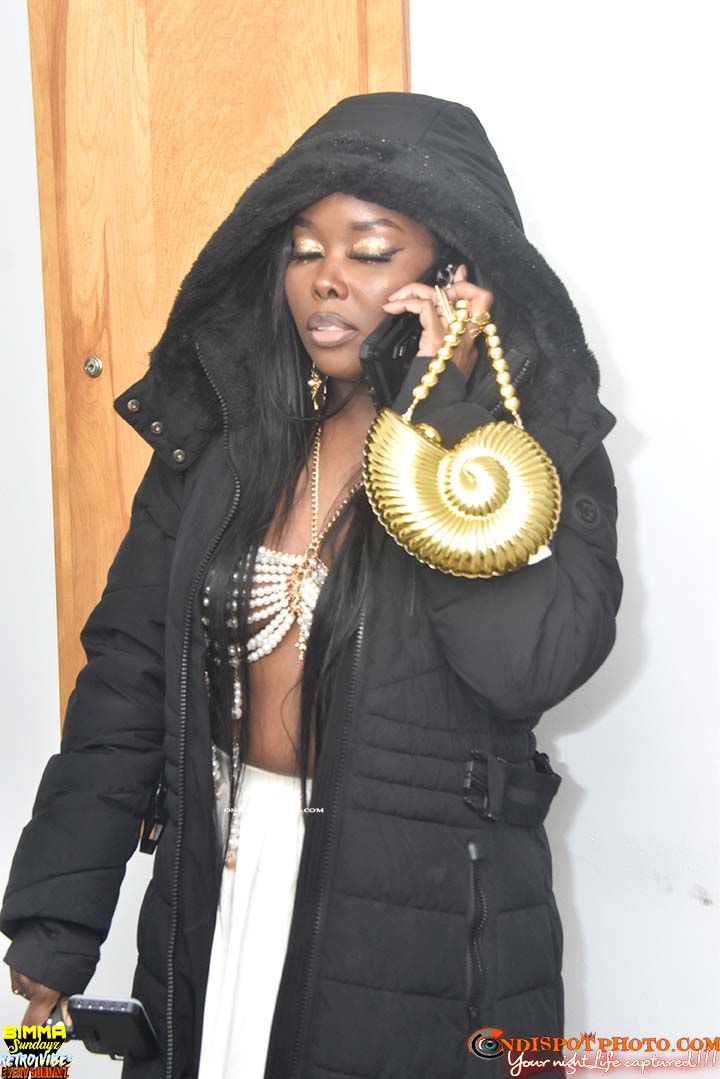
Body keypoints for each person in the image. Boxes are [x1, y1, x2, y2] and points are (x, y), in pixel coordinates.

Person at [1, 91, 622, 1079]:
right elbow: (125, 676)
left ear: (454, 275)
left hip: (418, 941)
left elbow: (529, 667)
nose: (326, 276)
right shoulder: (224, 445)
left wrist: (443, 426)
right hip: (215, 892)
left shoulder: (529, 458)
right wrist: (55, 922)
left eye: (369, 250)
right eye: (304, 248)